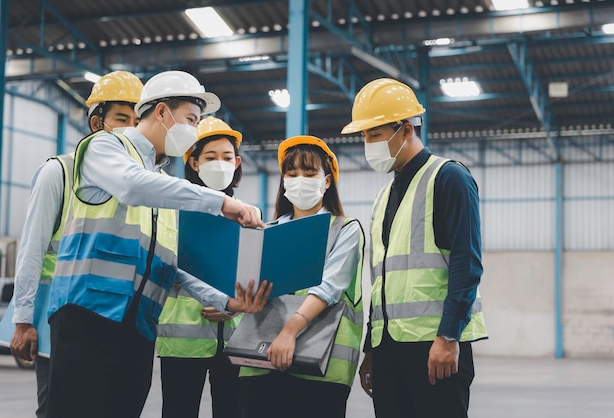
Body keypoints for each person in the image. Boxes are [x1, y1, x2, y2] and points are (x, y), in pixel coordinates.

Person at [45, 70, 271, 418]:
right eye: (191, 119)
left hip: (138, 327)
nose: (194, 130)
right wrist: (221, 202)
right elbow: (130, 186)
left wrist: (228, 300)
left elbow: (172, 265)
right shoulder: (105, 147)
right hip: (88, 317)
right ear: (162, 112)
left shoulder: (161, 182)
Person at [340, 78, 488, 418]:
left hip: (434, 346)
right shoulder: (383, 196)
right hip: (389, 349)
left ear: (406, 129)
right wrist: (371, 350)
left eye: (374, 135)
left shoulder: (449, 178)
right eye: (364, 137)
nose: (367, 145)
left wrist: (449, 337)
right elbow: (381, 284)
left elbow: (467, 264)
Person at [9, 70, 144, 418]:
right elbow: (33, 247)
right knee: (58, 407)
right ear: (97, 122)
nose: (129, 129)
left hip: (113, 321)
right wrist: (23, 320)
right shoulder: (61, 172)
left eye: (135, 120)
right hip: (61, 313)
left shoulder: (136, 183)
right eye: (120, 119)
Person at [239, 135, 365, 418]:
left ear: (327, 181)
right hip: (261, 359)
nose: (300, 180)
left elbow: (329, 286)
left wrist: (289, 331)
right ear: (283, 180)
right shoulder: (265, 232)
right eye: (292, 173)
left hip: (321, 368)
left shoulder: (344, 230)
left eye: (310, 173)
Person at [156, 116, 252, 418]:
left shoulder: (250, 214)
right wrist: (215, 298)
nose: (220, 164)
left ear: (237, 162)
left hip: (236, 339)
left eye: (227, 157)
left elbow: (254, 274)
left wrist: (234, 307)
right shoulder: (172, 210)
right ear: (194, 163)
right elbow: (164, 266)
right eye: (210, 157)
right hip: (182, 341)